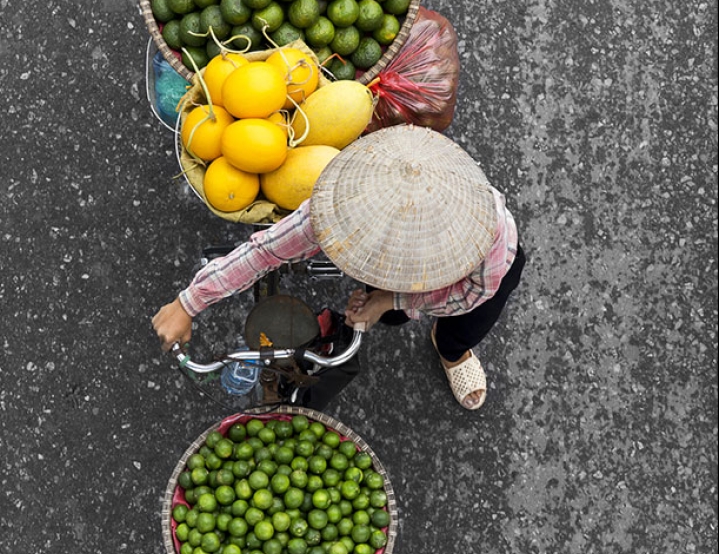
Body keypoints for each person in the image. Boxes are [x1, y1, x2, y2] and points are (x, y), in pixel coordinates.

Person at [151, 126, 525, 411]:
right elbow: (263, 252)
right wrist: (189, 302)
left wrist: (392, 299)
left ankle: (451, 351)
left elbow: (464, 295)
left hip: (476, 286)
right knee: (392, 316)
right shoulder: (340, 204)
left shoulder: (488, 236)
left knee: (461, 330)